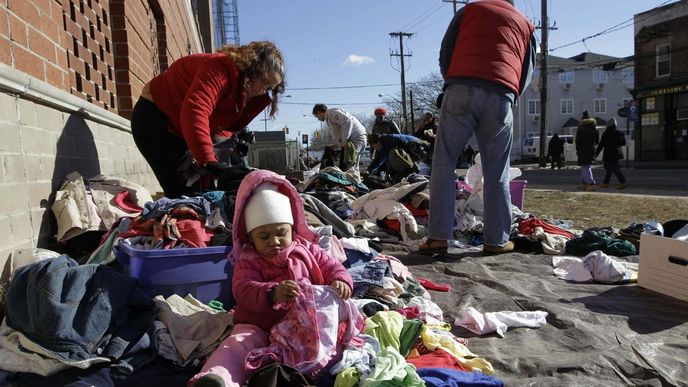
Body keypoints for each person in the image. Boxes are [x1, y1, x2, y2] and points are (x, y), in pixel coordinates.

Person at [189, 170, 353, 387]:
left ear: (292, 230)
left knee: (335, 341)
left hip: (304, 327)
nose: (274, 241)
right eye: (264, 236)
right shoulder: (249, 259)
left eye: (281, 233)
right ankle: (217, 378)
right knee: (236, 344)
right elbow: (243, 289)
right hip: (260, 325)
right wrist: (273, 292)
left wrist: (341, 281)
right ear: (251, 237)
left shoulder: (308, 250)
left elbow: (334, 267)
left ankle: (314, 371)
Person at [420, 0, 535, 255]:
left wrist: (451, 80)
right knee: (497, 171)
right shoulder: (526, 25)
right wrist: (511, 95)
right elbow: (526, 70)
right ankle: (496, 240)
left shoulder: (469, 11)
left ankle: (438, 237)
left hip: (461, 86)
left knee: (444, 162)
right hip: (501, 95)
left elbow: (446, 51)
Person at [130, 41, 285, 198]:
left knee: (205, 189)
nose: (262, 90)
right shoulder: (220, 68)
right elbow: (195, 110)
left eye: (269, 87)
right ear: (253, 69)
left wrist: (221, 160)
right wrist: (208, 161)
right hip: (156, 119)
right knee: (182, 193)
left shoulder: (244, 94)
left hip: (184, 128)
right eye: (264, 81)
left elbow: (223, 126)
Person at [312, 103, 367, 173]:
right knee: (352, 166)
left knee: (350, 166)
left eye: (317, 116)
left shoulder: (331, 112)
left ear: (319, 112)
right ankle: (354, 181)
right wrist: (336, 145)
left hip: (355, 139)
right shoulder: (329, 117)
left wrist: (344, 140)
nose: (318, 119)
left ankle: (352, 182)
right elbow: (340, 132)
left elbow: (347, 122)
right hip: (355, 139)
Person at [596, 117, 627, 189]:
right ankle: (605, 183)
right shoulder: (619, 133)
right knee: (610, 169)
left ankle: (622, 182)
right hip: (617, 153)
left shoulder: (606, 133)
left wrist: (596, 154)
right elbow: (623, 143)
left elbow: (601, 145)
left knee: (614, 169)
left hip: (609, 154)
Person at [575, 110, 599, 191]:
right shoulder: (595, 128)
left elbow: (578, 141)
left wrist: (577, 149)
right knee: (584, 166)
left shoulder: (581, 128)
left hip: (583, 149)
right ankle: (583, 183)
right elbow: (597, 141)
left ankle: (591, 183)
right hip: (592, 148)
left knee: (585, 166)